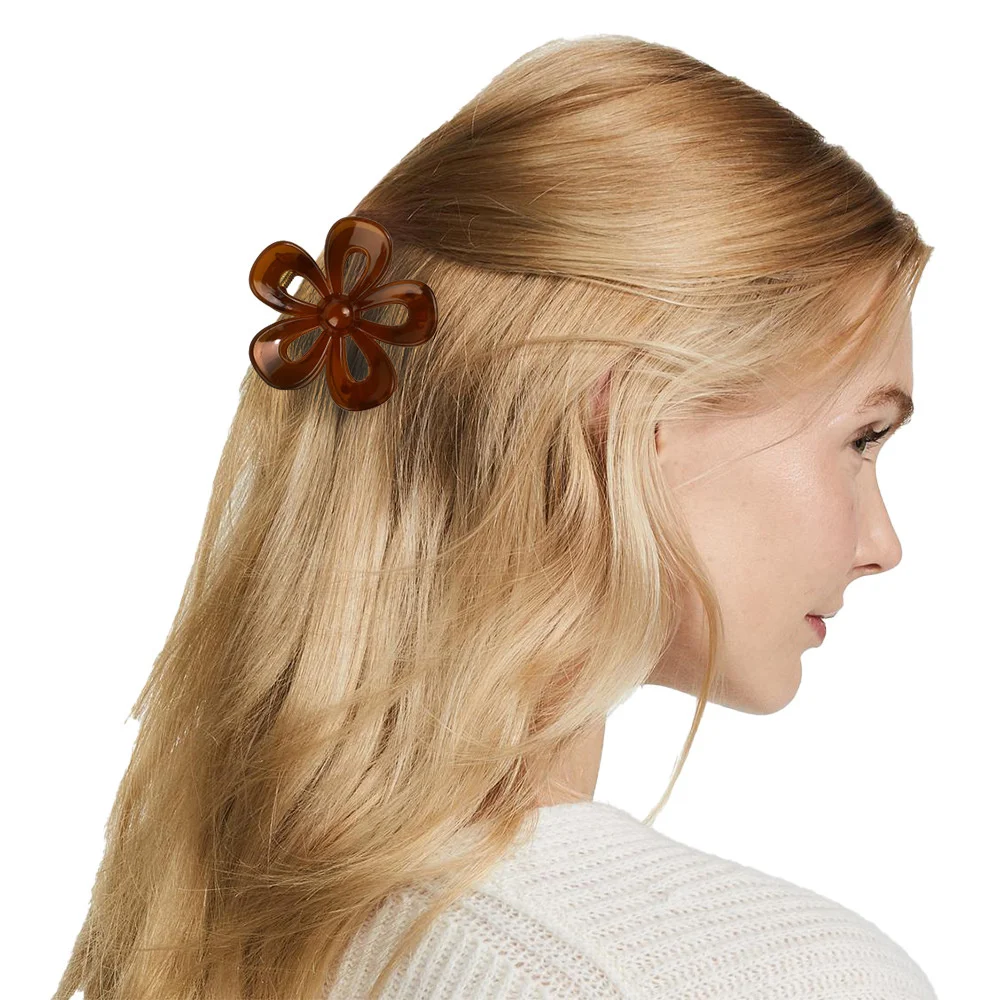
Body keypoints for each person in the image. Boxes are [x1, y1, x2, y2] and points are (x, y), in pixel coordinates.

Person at [53, 34, 936, 1000]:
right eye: (862, 438)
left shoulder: (201, 932)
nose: (882, 545)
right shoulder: (762, 976)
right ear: (628, 413)